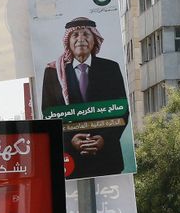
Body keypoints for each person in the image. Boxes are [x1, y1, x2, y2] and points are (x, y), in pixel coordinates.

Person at [41, 17, 128, 178]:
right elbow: (48, 115)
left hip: (107, 159)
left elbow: (121, 111)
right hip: (71, 160)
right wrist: (70, 139)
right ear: (68, 42)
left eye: (86, 34)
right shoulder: (54, 73)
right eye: (75, 35)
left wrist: (104, 138)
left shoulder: (110, 68)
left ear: (95, 40)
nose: (81, 39)